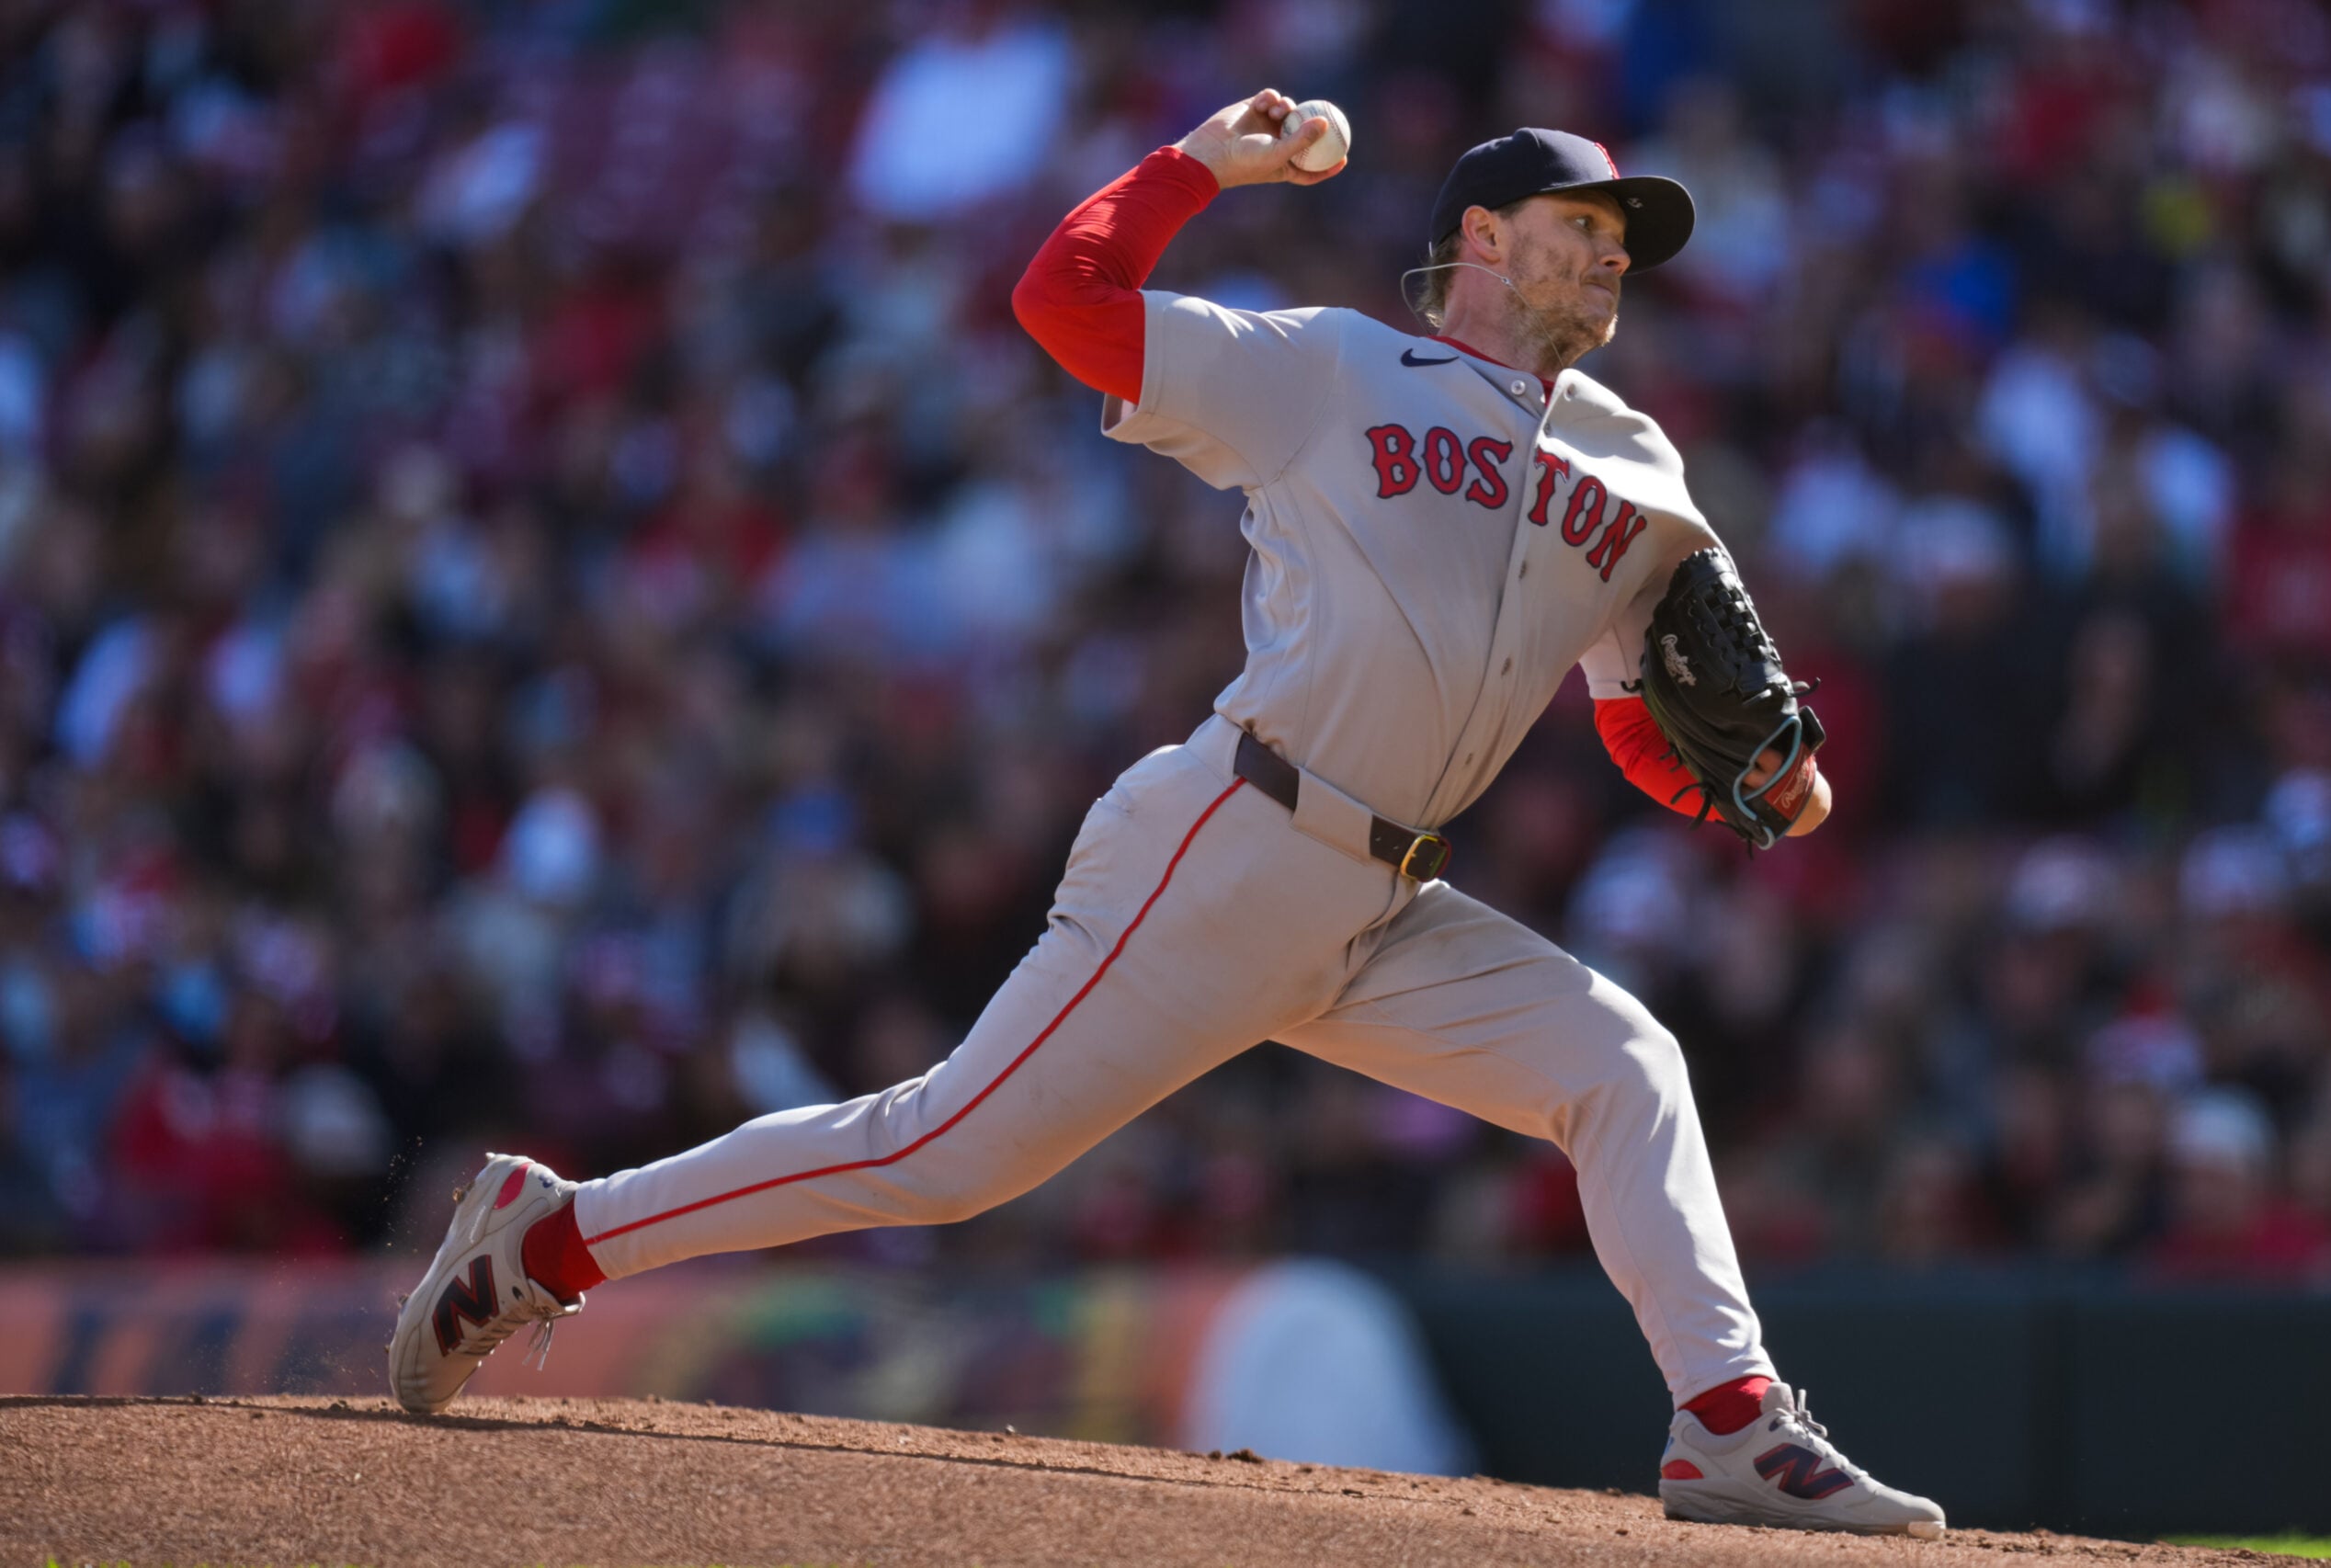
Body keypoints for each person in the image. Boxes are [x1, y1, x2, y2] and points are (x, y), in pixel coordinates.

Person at [389, 90, 1944, 1539]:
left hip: (1388, 902)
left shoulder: (1635, 458)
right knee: (940, 1153)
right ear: (1481, 237)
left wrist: (1758, 785)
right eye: (1580, 222)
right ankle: (552, 1234)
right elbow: (1062, 304)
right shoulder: (1331, 367)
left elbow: (1642, 722)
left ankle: (1730, 1421)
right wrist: (1201, 163)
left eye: (1625, 241)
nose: (1611, 253)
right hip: (1234, 837)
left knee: (1624, 1060)